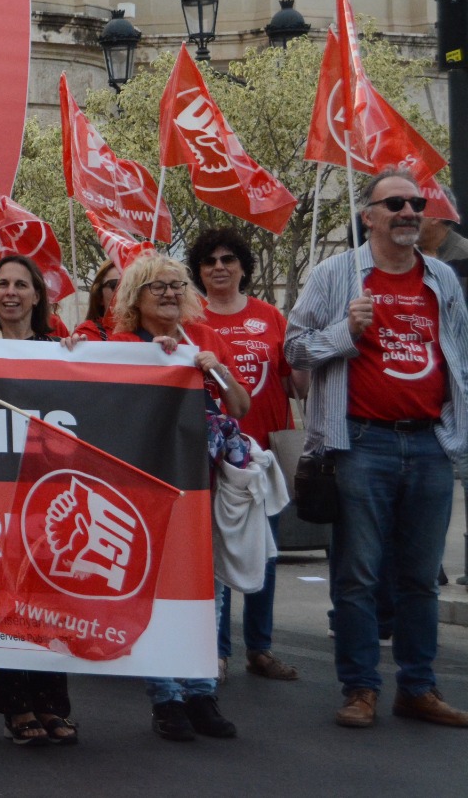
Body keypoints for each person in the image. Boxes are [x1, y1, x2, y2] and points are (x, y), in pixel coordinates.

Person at [285, 167, 468, 729]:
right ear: (369, 217)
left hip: (430, 443)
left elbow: (458, 357)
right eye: (395, 205)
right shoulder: (335, 274)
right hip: (362, 443)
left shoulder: (441, 279)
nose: (409, 211)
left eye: (415, 203)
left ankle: (417, 687)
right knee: (359, 576)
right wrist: (347, 331)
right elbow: (293, 348)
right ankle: (360, 688)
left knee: (419, 577)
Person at [106, 251, 247, 741]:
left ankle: (203, 692)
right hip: (147, 487)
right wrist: (148, 363)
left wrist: (216, 371)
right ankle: (166, 698)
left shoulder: (205, 339)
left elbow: (240, 405)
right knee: (155, 589)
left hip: (201, 485)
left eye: (176, 285)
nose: (169, 294)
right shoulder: (121, 345)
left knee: (208, 590)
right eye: (156, 286)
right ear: (134, 298)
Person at [188, 228, 304, 684]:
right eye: (210, 261)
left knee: (264, 555)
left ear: (243, 267)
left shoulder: (272, 316)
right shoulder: (191, 321)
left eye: (228, 259)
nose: (219, 267)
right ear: (198, 271)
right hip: (213, 460)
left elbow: (296, 381)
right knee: (215, 559)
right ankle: (216, 650)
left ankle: (261, 647)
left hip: (263, 458)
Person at [0, 255, 80, 745]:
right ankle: (16, 708)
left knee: (49, 599)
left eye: (22, 284)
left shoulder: (64, 350)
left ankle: (53, 706)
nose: (12, 292)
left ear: (38, 296)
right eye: (3, 284)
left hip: (52, 494)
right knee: (8, 598)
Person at [72, 259, 122, 341]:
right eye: (115, 285)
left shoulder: (147, 331)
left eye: (129, 285)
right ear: (100, 297)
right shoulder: (88, 333)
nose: (124, 292)